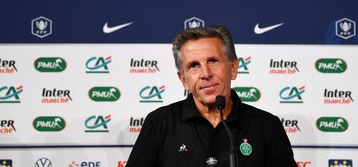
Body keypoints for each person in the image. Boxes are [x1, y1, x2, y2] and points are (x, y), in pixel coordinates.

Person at [126, 25, 297, 167]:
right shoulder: (159, 124)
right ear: (183, 79)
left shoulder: (266, 126)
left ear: (233, 68)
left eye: (213, 61)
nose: (205, 74)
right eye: (194, 65)